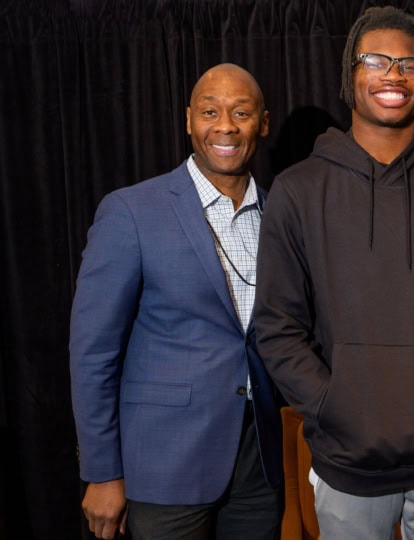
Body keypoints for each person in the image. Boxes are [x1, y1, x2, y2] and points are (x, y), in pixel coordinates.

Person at [252, 6, 414, 539]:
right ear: (350, 74)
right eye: (375, 60)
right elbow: (276, 325)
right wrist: (333, 405)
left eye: (408, 63)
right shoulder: (300, 191)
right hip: (348, 465)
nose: (392, 75)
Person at [70, 63, 283, 540]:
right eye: (210, 111)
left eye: (241, 113)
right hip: (164, 466)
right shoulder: (131, 211)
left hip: (259, 465)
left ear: (263, 123)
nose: (224, 126)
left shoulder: (281, 213)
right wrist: (102, 471)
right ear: (189, 120)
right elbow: (93, 353)